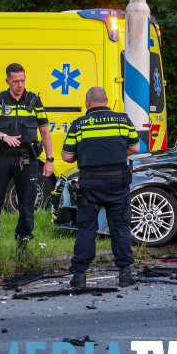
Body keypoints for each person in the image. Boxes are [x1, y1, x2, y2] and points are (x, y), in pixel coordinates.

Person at [61, 86, 140, 289]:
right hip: (117, 182)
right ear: (106, 101)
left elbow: (67, 156)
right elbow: (135, 147)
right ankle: (125, 274)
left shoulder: (79, 125)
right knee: (120, 227)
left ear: (88, 103)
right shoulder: (123, 120)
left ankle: (79, 276)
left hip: (90, 184)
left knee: (86, 228)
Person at [0, 63, 54, 257]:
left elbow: (45, 131)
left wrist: (50, 159)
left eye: (23, 80)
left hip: (27, 160)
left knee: (27, 204)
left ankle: (23, 244)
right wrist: (4, 136)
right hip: (3, 159)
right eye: (16, 81)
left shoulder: (34, 100)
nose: (20, 85)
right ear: (8, 81)